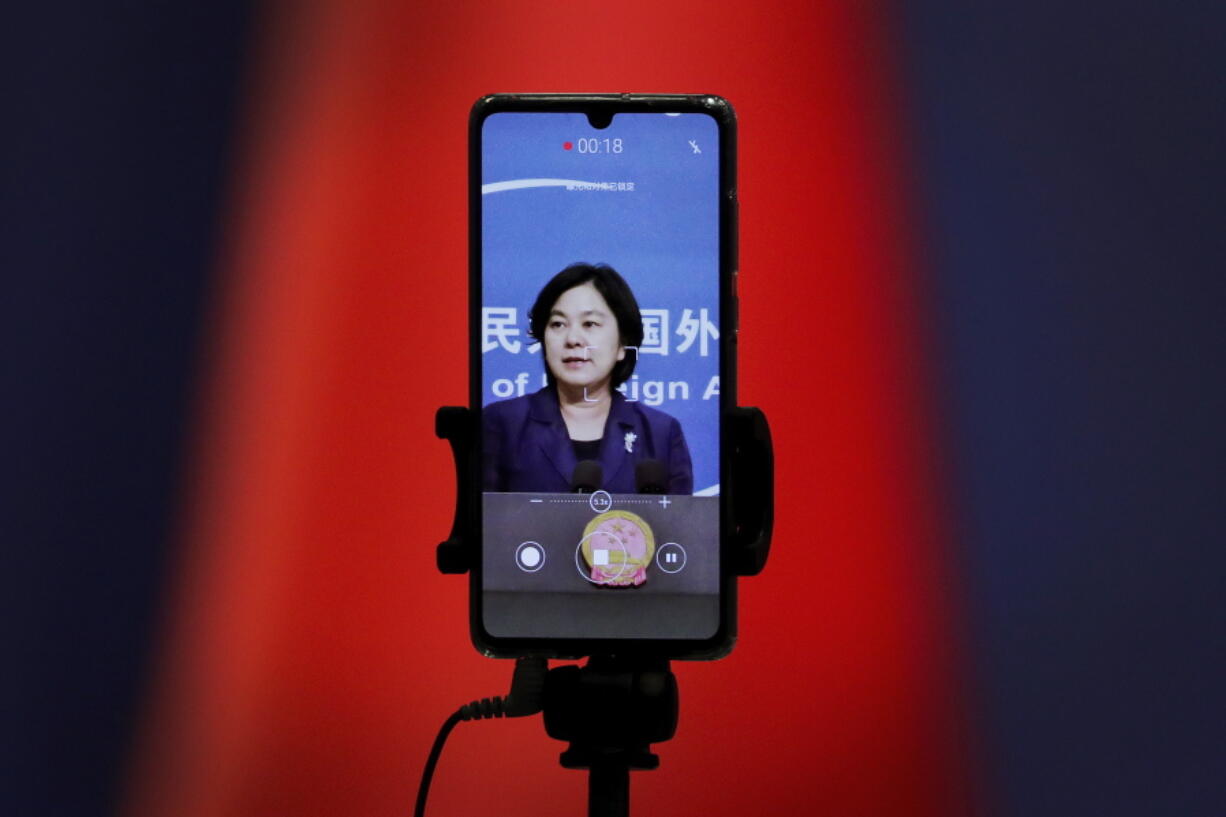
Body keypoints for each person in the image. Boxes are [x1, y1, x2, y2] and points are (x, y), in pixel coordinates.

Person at [483, 263, 693, 494]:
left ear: (622, 344)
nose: (573, 338)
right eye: (558, 324)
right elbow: (481, 524)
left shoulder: (660, 432)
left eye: (590, 324)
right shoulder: (503, 424)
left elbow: (678, 525)